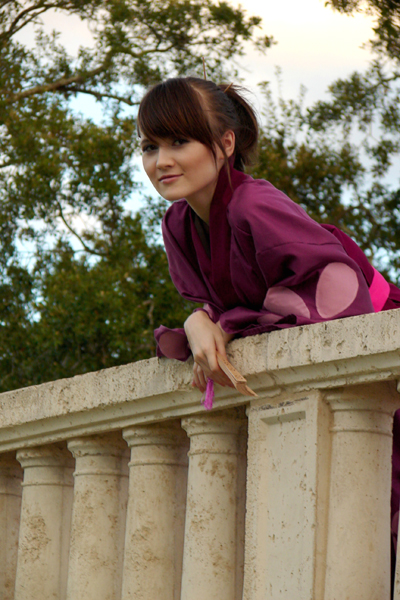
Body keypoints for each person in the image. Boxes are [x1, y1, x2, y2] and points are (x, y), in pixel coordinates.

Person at [137, 76, 400, 563]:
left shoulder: (254, 204)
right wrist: (198, 322)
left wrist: (223, 325)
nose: (161, 161)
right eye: (150, 146)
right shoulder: (177, 224)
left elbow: (336, 292)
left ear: (225, 144)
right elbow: (213, 305)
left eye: (179, 141)